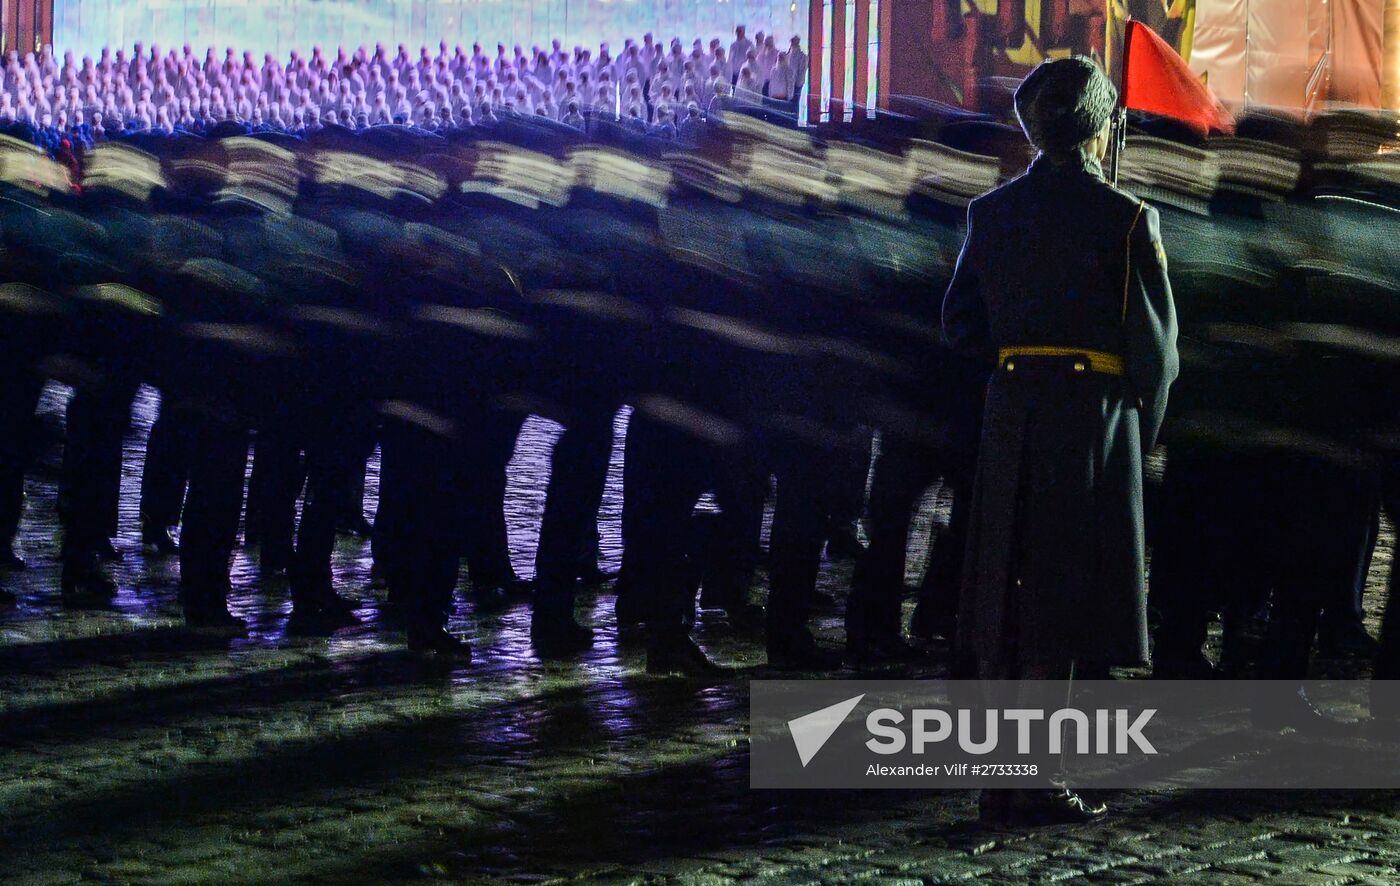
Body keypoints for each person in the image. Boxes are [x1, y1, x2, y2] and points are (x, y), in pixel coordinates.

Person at [941, 56, 1178, 824]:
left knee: (1002, 600)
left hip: (1012, 414)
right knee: (1060, 600)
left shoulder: (991, 212)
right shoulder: (1128, 217)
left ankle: (999, 775)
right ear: (1102, 126)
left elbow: (960, 327)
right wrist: (1147, 427)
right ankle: (1039, 774)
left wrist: (1011, 379)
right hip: (1091, 420)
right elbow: (1157, 351)